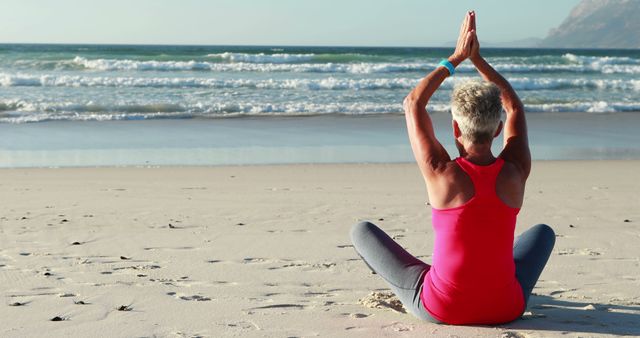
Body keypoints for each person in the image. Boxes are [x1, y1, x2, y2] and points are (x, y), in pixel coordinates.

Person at [350, 11, 555, 325]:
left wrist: (456, 58)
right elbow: (514, 104)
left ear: (456, 130)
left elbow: (413, 103)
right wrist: (479, 61)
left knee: (361, 231)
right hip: (506, 307)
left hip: (442, 308)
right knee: (543, 234)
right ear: (498, 131)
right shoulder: (516, 169)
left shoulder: (440, 171)